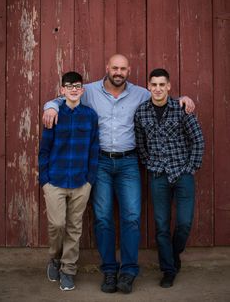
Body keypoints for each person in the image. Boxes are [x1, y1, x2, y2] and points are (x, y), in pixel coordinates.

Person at [42, 54, 195, 294]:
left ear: (128, 70)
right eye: (115, 67)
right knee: (103, 218)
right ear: (107, 68)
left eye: (123, 68)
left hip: (129, 162)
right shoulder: (90, 91)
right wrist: (50, 106)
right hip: (101, 163)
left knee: (132, 217)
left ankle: (128, 272)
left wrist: (183, 99)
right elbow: (65, 97)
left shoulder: (140, 93)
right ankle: (109, 271)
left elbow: (162, 97)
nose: (118, 72)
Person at [134, 68, 204, 288]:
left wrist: (190, 167)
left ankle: (174, 255)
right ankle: (168, 270)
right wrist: (150, 164)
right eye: (153, 85)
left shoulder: (181, 109)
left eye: (161, 85)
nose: (157, 89)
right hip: (158, 176)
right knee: (162, 225)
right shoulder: (141, 112)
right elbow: (140, 144)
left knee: (183, 223)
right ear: (148, 86)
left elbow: (198, 140)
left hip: (182, 174)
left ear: (169, 86)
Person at [38, 71, 99, 291]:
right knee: (57, 224)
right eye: (69, 86)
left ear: (82, 90)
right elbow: (44, 150)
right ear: (62, 90)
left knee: (74, 228)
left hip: (81, 181)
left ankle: (68, 270)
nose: (74, 89)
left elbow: (94, 149)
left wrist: (90, 179)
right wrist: (44, 179)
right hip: (55, 179)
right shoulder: (53, 114)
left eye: (78, 86)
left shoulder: (90, 116)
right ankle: (54, 257)